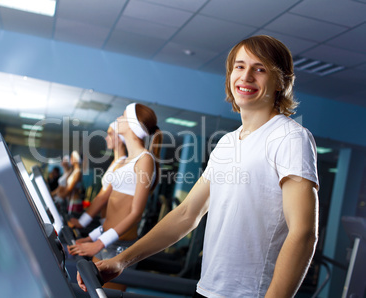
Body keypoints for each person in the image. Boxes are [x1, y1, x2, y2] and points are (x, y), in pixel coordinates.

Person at [77, 35, 319, 298]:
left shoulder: (290, 137)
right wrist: (121, 260)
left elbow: (304, 233)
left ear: (281, 81)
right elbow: (187, 214)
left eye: (259, 69)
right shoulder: (227, 143)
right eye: (239, 66)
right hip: (207, 290)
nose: (246, 76)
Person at [68, 103, 162, 260]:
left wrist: (98, 243)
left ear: (133, 124)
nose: (119, 118)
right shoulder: (125, 162)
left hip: (119, 247)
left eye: (124, 115)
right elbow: (110, 208)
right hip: (105, 239)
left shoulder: (144, 160)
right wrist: (92, 238)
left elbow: (136, 213)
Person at [68, 122, 127, 229]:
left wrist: (82, 222)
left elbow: (103, 197)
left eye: (110, 134)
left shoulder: (122, 164)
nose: (106, 138)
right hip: (106, 223)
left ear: (119, 138)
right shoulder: (116, 162)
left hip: (113, 227)